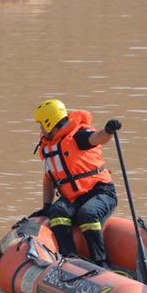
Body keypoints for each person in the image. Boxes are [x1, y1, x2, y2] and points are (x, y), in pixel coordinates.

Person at [32, 99, 121, 267]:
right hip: (74, 198)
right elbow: (49, 180)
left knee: (88, 214)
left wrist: (108, 131)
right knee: (56, 212)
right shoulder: (48, 148)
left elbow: (97, 138)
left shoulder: (78, 135)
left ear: (49, 123)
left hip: (101, 192)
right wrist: (46, 206)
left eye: (41, 125)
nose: (41, 129)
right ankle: (71, 258)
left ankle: (101, 262)